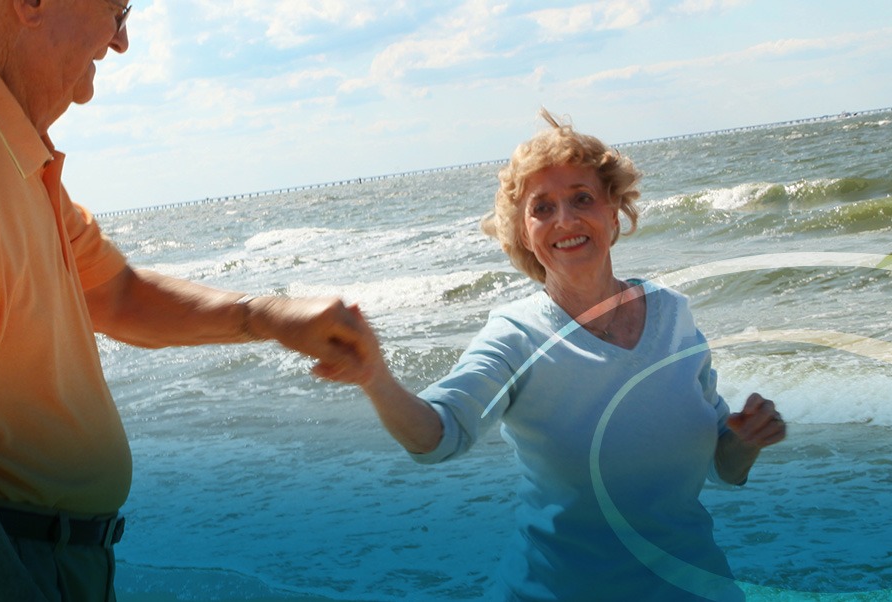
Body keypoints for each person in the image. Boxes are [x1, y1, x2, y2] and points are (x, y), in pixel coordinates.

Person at [0, 1, 370, 600]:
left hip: (16, 552)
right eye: (115, 7)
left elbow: (118, 294)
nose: (122, 39)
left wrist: (266, 317)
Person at [321, 111, 788, 601]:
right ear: (523, 233)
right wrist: (375, 379)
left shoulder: (674, 315)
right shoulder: (516, 335)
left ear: (614, 211)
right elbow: (439, 435)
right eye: (542, 208)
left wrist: (747, 439)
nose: (565, 220)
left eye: (582, 198)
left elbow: (724, 465)